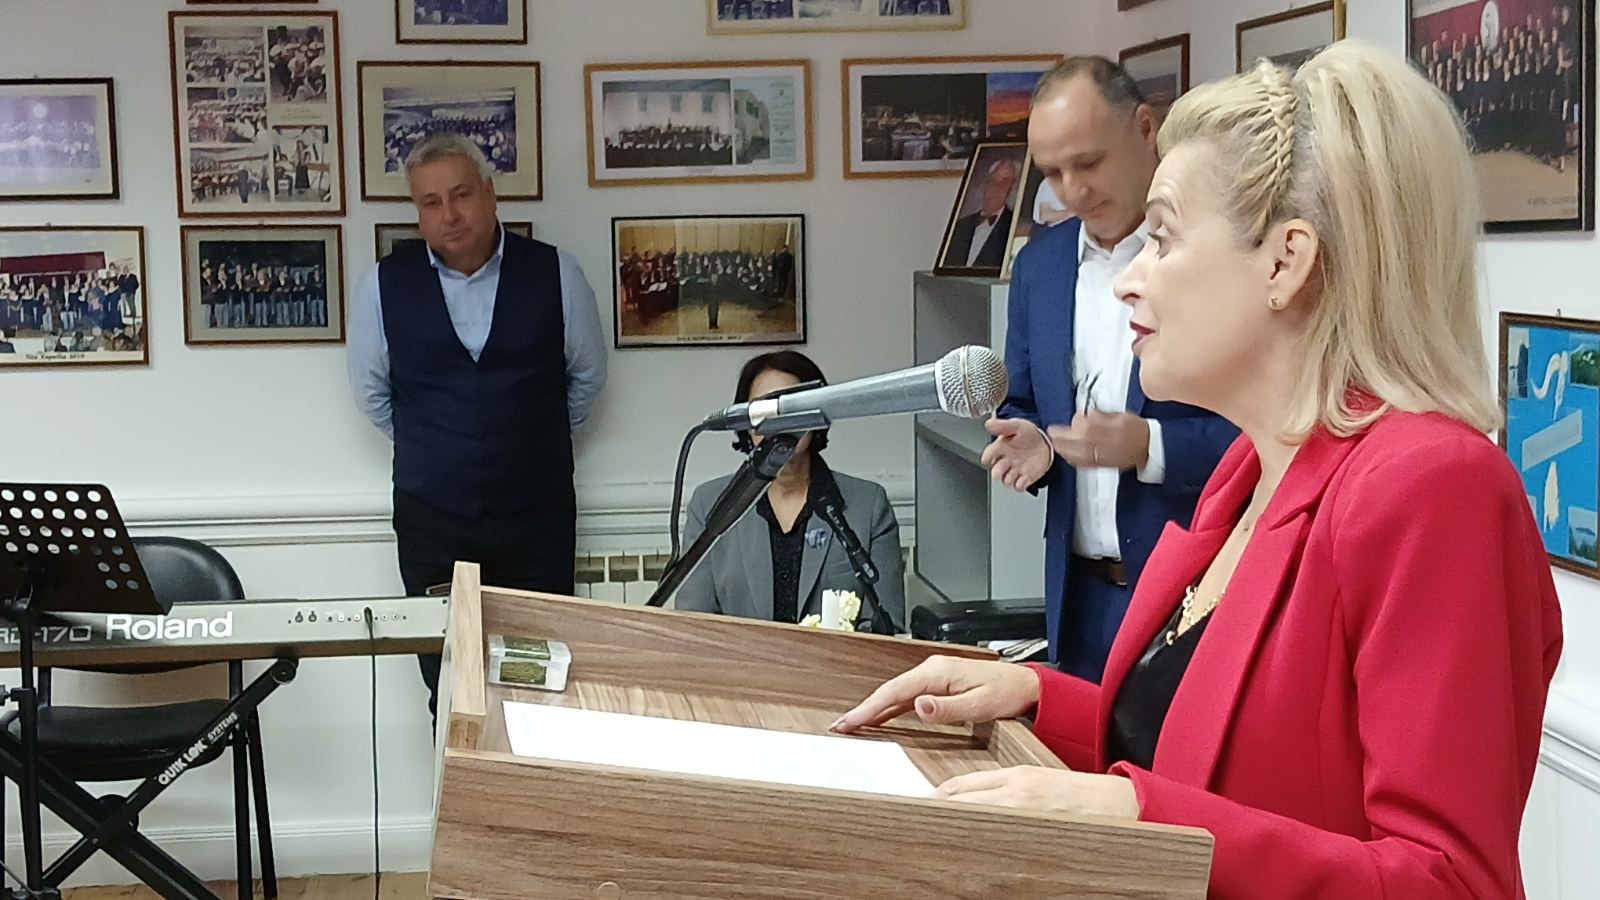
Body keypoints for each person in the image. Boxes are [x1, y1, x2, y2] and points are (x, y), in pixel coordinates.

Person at [834, 42, 1564, 898]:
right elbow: (1209, 746)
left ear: (1285, 262)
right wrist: (1032, 694)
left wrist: (1141, 820)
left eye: (1163, 239)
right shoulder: (1248, 469)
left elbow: (1452, 883)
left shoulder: (1433, 487)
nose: (1128, 281)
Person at [983, 57, 1236, 680]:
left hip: (1195, 594)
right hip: (1078, 600)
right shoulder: (1038, 268)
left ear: (1146, 128)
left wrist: (1149, 445)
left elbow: (1268, 432)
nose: (1072, 191)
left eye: (1088, 163)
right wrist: (1037, 444)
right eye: (1052, 173)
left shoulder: (1217, 258)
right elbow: (1024, 402)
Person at [347, 132, 608, 721]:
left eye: (461, 195)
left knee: (540, 684)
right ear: (418, 213)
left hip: (538, 520)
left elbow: (588, 378)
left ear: (490, 195)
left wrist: (523, 441)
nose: (449, 214)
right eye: (431, 202)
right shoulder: (382, 287)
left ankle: (532, 786)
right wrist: (445, 447)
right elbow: (373, 396)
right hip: (432, 522)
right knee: (449, 686)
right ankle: (456, 785)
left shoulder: (556, 273)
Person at [676, 351, 906, 633]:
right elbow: (693, 627)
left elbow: (887, 629)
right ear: (745, 422)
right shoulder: (709, 504)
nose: (778, 422)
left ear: (817, 415)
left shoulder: (868, 506)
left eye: (790, 407)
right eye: (764, 409)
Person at [943, 157, 1019, 269]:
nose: (996, 188)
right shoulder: (961, 225)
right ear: (986, 184)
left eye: (1004, 183)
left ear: (1011, 189)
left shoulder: (1014, 228)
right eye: (993, 181)